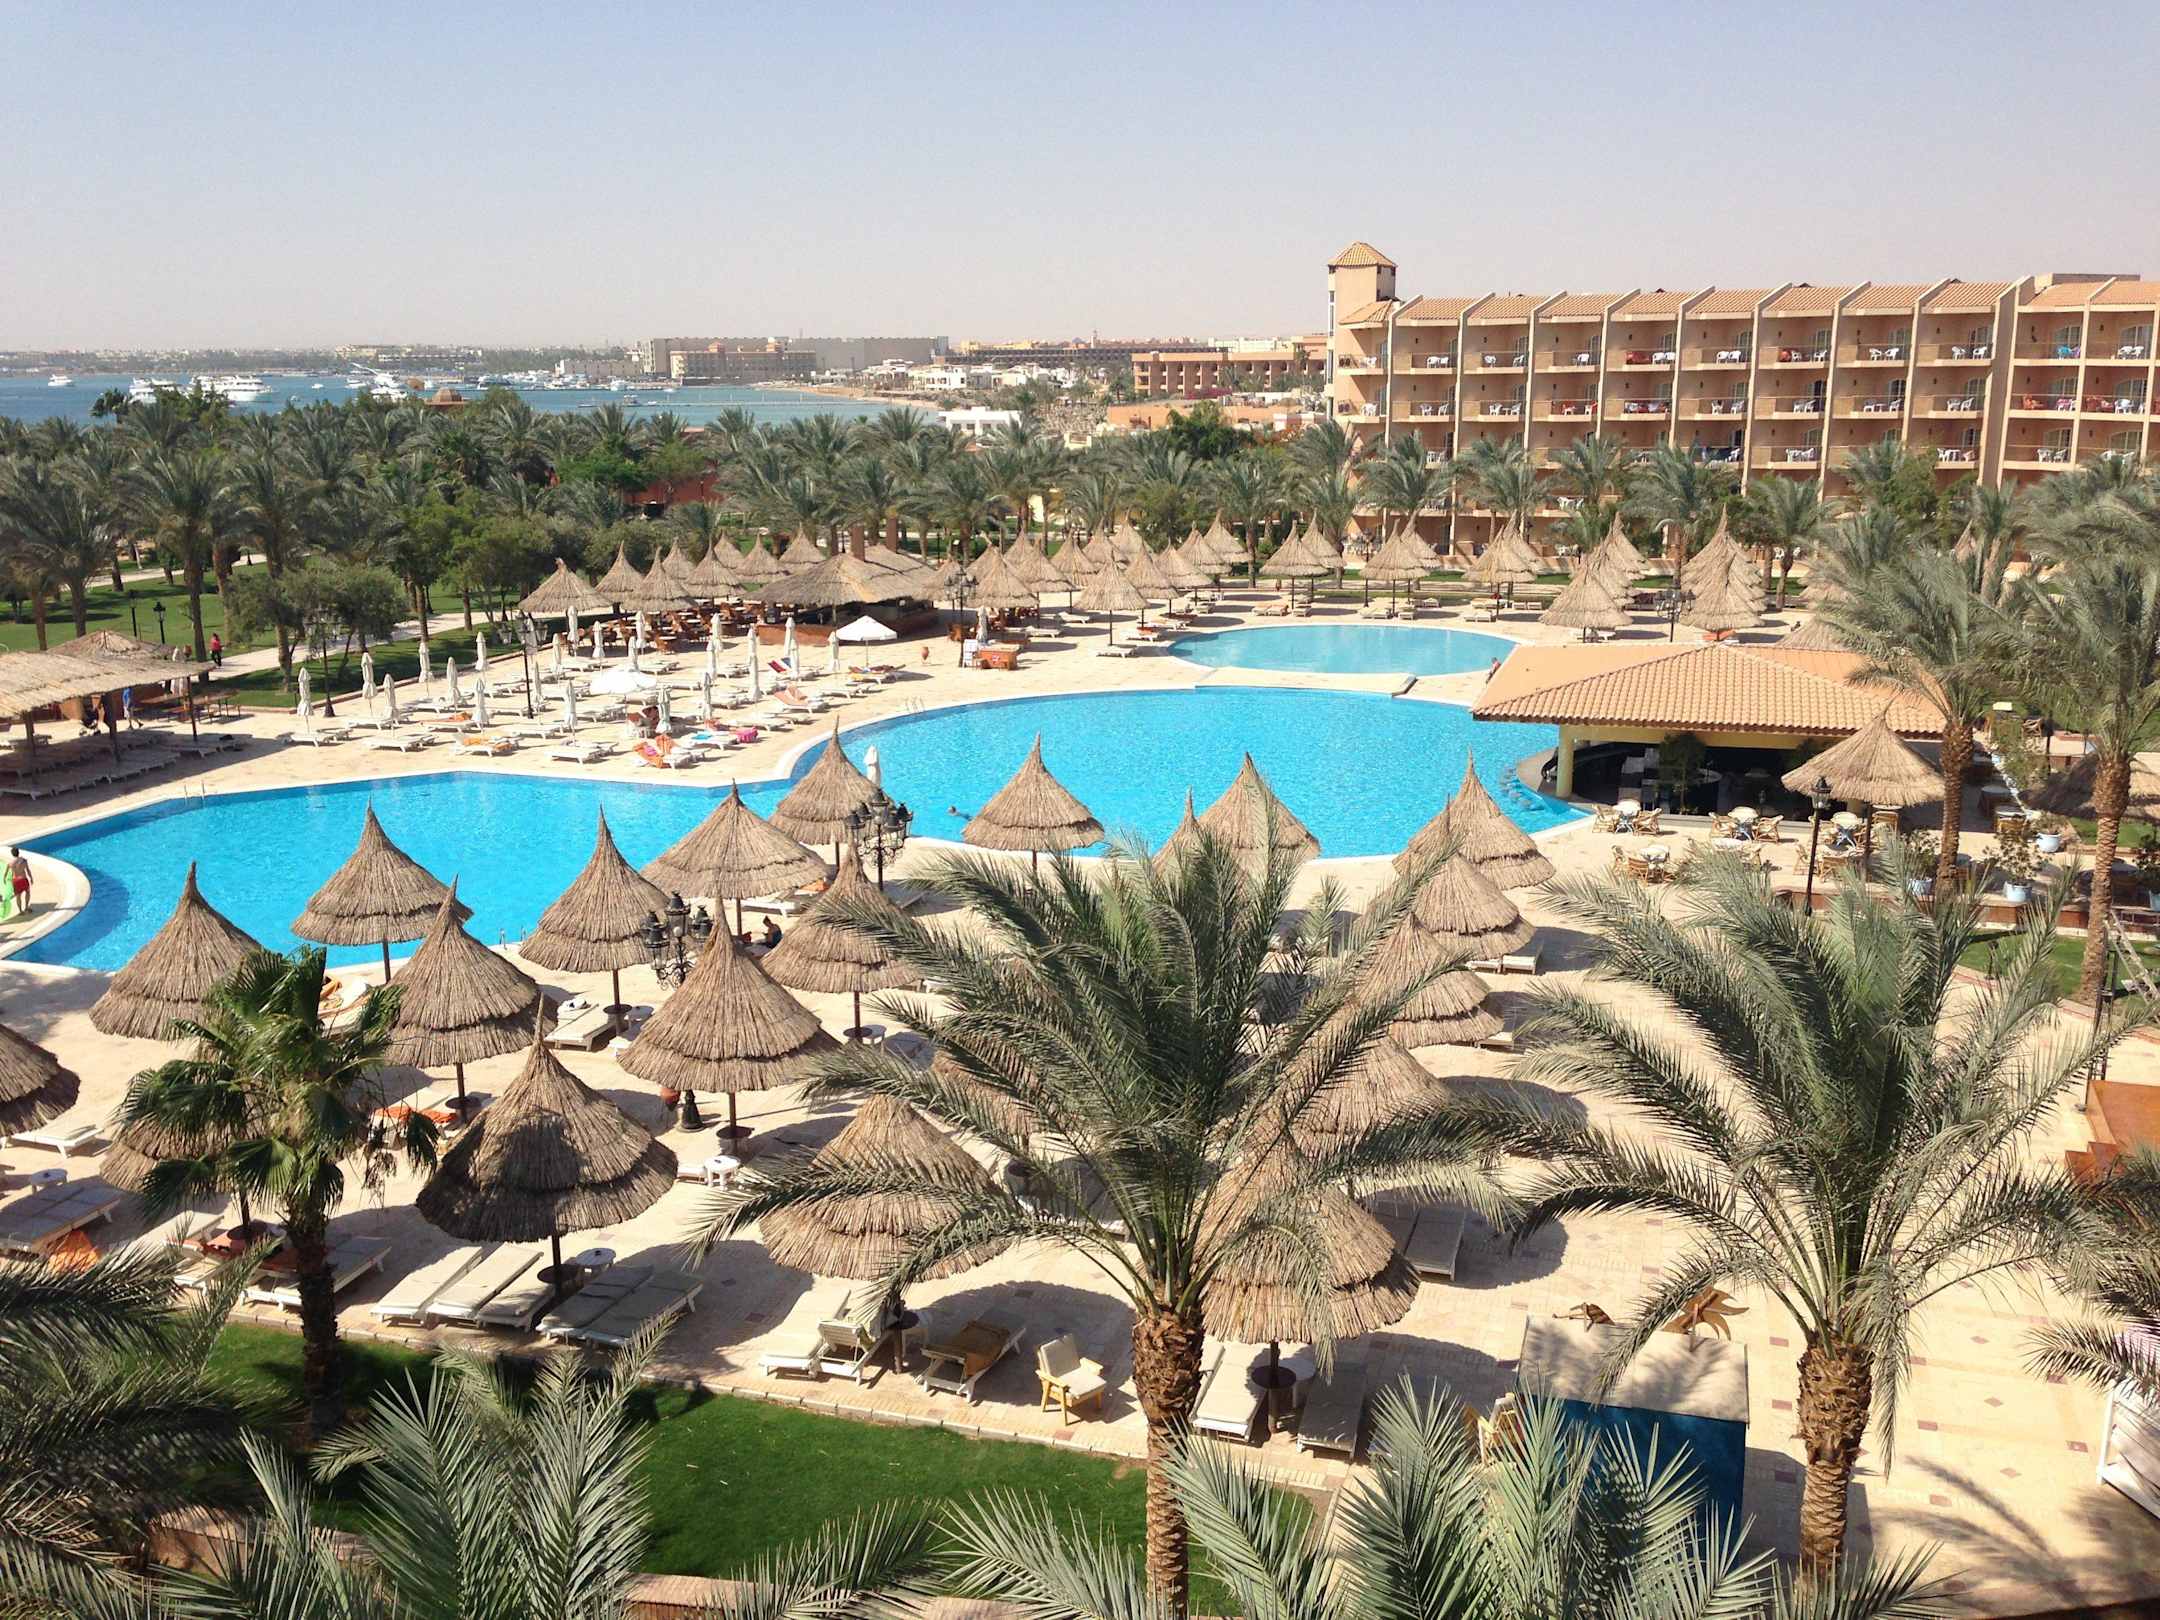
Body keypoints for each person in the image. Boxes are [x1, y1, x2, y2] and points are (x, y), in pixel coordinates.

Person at [6, 849, 30, 916]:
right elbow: (28, 870)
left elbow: (6, 874)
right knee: (27, 892)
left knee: (18, 896)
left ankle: (20, 911)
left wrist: (6, 880)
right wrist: (31, 878)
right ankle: (26, 907)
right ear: (18, 853)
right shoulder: (24, 861)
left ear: (12, 854)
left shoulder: (10, 863)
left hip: (15, 880)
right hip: (23, 879)